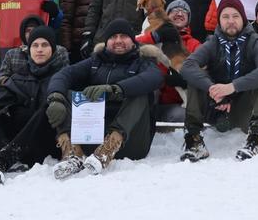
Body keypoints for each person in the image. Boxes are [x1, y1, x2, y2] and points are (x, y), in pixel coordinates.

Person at [45, 19, 167, 177]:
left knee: (140, 93)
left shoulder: (143, 61)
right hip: (92, 139)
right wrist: (56, 97)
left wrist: (116, 89)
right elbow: (63, 75)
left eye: (124, 36)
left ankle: (108, 150)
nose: (118, 41)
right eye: (113, 37)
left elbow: (154, 77)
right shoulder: (95, 61)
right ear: (106, 41)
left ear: (133, 40)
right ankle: (72, 154)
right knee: (64, 94)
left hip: (130, 142)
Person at [0, 25, 71, 184]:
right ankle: (5, 152)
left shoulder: (64, 76)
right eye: (35, 45)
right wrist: (10, 107)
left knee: (47, 108)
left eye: (45, 45)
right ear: (29, 50)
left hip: (44, 143)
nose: (39, 50)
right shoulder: (19, 74)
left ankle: (4, 158)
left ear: (53, 49)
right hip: (17, 140)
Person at [180, 0, 258, 161]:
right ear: (219, 21)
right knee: (196, 76)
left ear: (243, 19)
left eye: (235, 16)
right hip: (215, 106)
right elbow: (187, 66)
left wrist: (232, 87)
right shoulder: (213, 42)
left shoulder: (255, 41)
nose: (231, 21)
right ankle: (194, 139)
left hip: (242, 109)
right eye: (225, 17)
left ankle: (255, 138)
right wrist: (212, 88)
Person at [134, 0, 201, 122]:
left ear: (188, 19)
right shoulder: (153, 37)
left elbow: (201, 75)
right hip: (153, 100)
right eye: (175, 10)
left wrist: (184, 81)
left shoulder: (195, 45)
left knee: (182, 115)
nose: (179, 13)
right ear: (166, 16)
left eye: (184, 12)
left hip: (176, 105)